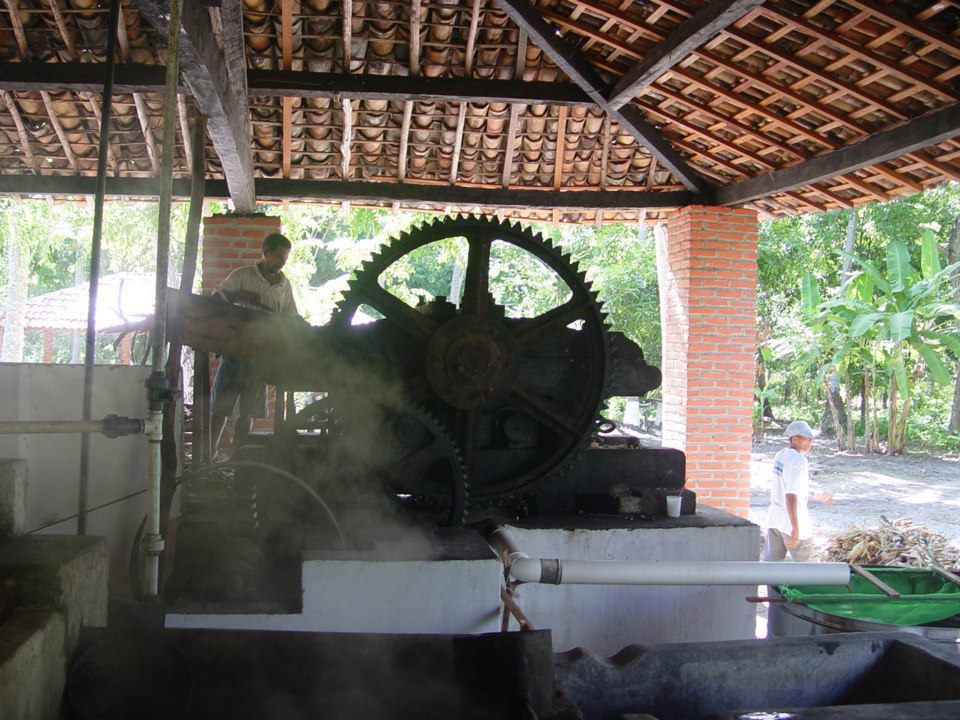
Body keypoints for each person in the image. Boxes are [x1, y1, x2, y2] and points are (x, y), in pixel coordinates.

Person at [210, 232, 299, 456]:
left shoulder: (284, 286)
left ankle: (239, 460)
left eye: (285, 259)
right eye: (278, 257)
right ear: (265, 253)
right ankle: (208, 457)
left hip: (261, 359)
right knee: (220, 409)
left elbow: (291, 319)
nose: (281, 263)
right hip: (234, 354)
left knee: (247, 413)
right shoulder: (242, 276)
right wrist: (243, 296)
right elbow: (215, 300)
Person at [764, 420, 833, 562]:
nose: (810, 442)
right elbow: (790, 494)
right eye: (807, 438)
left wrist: (814, 495)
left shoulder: (780, 455)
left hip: (774, 520)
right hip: (791, 521)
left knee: (771, 567)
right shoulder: (799, 461)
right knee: (809, 568)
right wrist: (795, 528)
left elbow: (789, 486)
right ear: (795, 439)